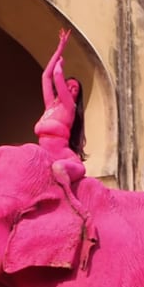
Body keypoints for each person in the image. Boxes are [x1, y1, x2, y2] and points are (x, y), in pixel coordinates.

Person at [35, 27, 86, 183]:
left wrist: (60, 64)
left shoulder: (70, 107)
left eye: (75, 89)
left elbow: (56, 75)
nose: (70, 89)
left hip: (61, 160)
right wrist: (59, 49)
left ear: (77, 96)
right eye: (68, 86)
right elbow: (46, 77)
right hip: (45, 157)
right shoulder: (51, 106)